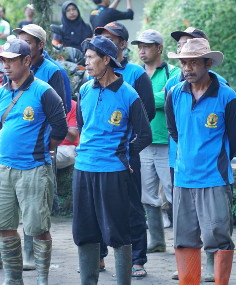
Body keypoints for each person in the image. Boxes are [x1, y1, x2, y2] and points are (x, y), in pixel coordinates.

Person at [0, 38, 67, 284]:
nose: (6, 66)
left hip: (34, 169)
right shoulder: (0, 92)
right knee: (3, 224)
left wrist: (41, 148)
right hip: (3, 169)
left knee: (38, 227)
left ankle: (42, 279)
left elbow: (60, 128)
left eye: (11, 60)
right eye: (3, 60)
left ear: (27, 60)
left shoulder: (43, 91)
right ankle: (13, 279)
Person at [73, 35, 152, 285]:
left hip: (112, 171)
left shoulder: (128, 94)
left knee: (118, 231)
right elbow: (83, 125)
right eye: (85, 57)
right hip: (83, 168)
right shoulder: (85, 89)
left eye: (90, 57)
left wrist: (124, 155)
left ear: (106, 59)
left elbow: (145, 134)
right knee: (84, 231)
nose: (86, 62)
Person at [165, 37, 236, 285]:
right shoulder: (174, 93)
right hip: (183, 178)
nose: (187, 68)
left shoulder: (227, 96)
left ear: (208, 64)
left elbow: (234, 139)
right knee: (184, 239)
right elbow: (174, 131)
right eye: (184, 63)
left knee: (218, 238)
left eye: (193, 63)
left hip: (215, 178)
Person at [94, 21, 155, 277]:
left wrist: (127, 148)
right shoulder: (93, 75)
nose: (104, 41)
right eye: (101, 37)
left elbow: (148, 113)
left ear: (122, 44)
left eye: (110, 38)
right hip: (98, 156)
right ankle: (97, 257)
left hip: (125, 155)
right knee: (97, 205)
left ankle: (137, 258)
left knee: (131, 206)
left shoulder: (136, 75)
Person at [131, 29, 180, 252]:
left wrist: (147, 98)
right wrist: (154, 97)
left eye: (147, 46)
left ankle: (182, 241)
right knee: (147, 194)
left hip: (166, 142)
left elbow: (171, 99)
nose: (142, 50)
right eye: (139, 46)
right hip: (142, 142)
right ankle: (158, 241)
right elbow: (132, 101)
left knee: (174, 192)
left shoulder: (174, 71)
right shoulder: (136, 73)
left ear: (159, 48)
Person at [14, 24, 67, 111]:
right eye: (20, 43)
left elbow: (62, 109)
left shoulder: (54, 71)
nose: (22, 47)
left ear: (40, 45)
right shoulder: (14, 69)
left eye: (27, 43)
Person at [56, 100, 79, 169]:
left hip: (67, 147)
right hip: (46, 146)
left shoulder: (73, 106)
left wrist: (57, 123)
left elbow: (73, 137)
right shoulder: (40, 104)